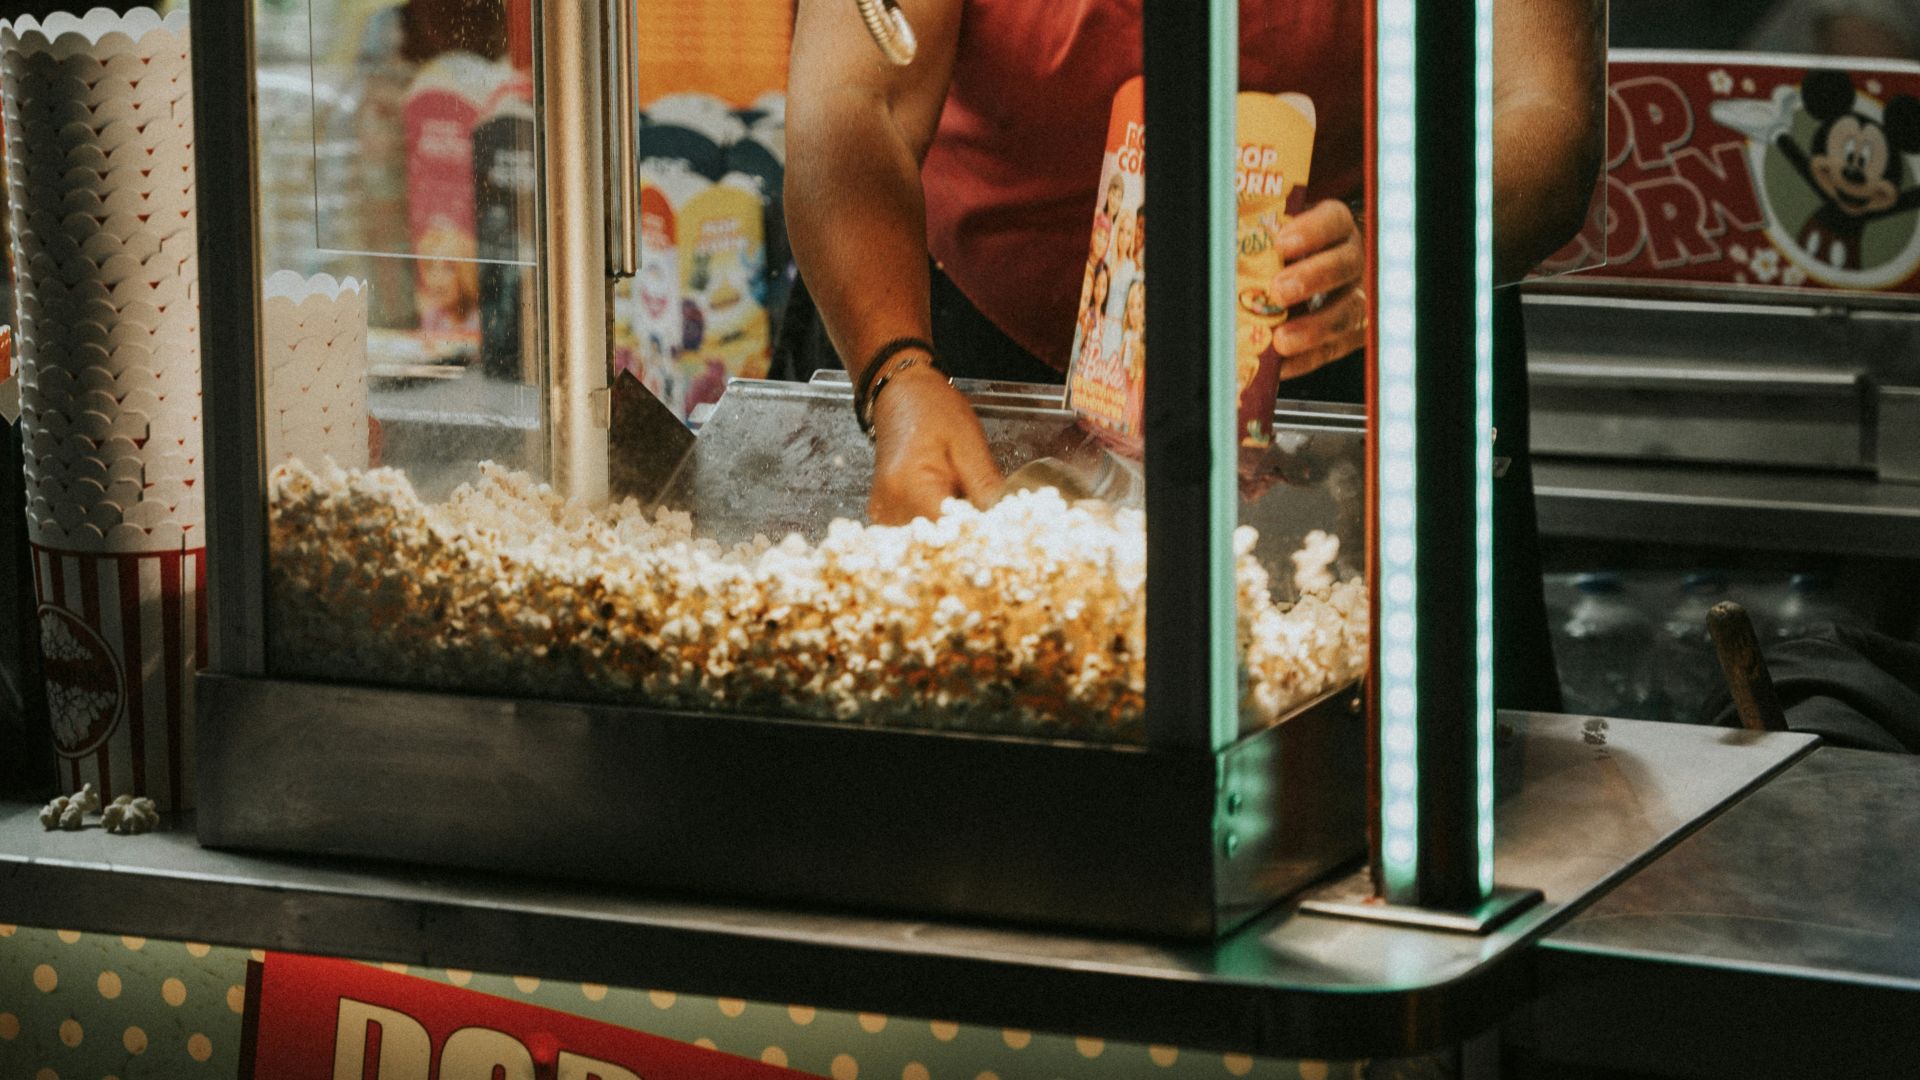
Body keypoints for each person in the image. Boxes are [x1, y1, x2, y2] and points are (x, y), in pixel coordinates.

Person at [782, 0, 1603, 711]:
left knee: (1396, 760)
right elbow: (854, 99)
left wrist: (1401, 246)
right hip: (960, 338)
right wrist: (898, 372)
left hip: (1360, 331)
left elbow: (1541, 112)